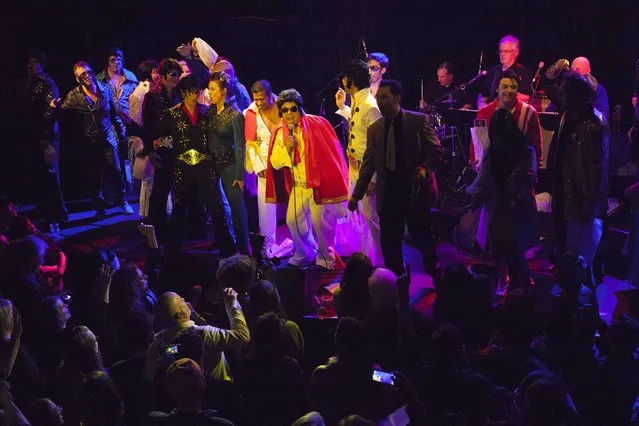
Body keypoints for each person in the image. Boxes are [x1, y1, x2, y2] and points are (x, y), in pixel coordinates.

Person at [348, 79, 443, 277]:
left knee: (422, 237)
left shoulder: (417, 121)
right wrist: (356, 194)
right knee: (390, 242)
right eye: (378, 98)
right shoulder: (375, 128)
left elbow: (435, 150)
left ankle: (436, 276)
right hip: (389, 193)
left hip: (414, 192)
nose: (380, 102)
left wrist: (425, 168)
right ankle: (396, 283)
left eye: (384, 97)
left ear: (397, 98)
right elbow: (368, 164)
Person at [267, 89, 350, 270]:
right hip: (298, 186)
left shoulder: (316, 124)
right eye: (285, 109)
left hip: (317, 185)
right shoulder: (280, 131)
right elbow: (274, 162)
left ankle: (326, 259)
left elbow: (331, 155)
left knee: (321, 224)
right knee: (292, 221)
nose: (289, 113)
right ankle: (305, 253)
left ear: (300, 109)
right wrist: (286, 149)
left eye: (293, 109)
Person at [154, 74, 236, 257]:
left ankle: (227, 248)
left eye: (198, 91)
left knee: (216, 206)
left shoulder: (207, 111)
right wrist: (166, 144)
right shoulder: (172, 114)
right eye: (192, 91)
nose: (196, 94)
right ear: (183, 92)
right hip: (181, 165)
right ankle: (173, 250)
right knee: (179, 207)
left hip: (205, 164)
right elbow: (158, 137)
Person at [466, 108, 539, 294]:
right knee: (503, 252)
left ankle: (518, 288)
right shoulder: (506, 151)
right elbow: (484, 178)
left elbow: (529, 179)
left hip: (512, 208)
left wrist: (477, 198)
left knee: (511, 252)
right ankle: (512, 288)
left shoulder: (520, 152)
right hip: (503, 207)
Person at [547, 72, 609, 289]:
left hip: (581, 202)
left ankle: (585, 309)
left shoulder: (594, 124)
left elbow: (595, 172)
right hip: (564, 194)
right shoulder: (567, 117)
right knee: (568, 254)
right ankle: (569, 303)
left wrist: (588, 206)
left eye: (565, 92)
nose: (561, 95)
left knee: (582, 263)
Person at [50, 61, 133, 218]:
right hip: (89, 140)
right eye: (82, 75)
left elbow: (114, 114)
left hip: (108, 137)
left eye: (88, 72)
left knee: (116, 171)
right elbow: (61, 114)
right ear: (77, 79)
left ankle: (122, 201)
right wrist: (54, 107)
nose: (87, 76)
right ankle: (99, 207)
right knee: (93, 176)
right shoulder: (74, 97)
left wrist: (121, 134)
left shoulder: (105, 90)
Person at [335, 60, 383, 265]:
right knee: (359, 219)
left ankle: (377, 262)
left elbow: (379, 146)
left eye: (345, 77)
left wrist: (373, 178)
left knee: (371, 220)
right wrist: (342, 107)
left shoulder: (370, 105)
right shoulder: (358, 100)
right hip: (355, 170)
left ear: (351, 80)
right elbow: (358, 125)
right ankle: (365, 260)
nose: (343, 80)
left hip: (366, 172)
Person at [150, 289, 250, 381]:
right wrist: (232, 304)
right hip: (218, 391)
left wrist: (193, 314)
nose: (184, 299)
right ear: (180, 314)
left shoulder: (158, 340)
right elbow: (242, 336)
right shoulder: (205, 334)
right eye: (180, 300)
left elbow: (174, 349)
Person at [206, 71, 250, 255]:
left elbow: (241, 146)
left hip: (231, 167)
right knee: (219, 211)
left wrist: (240, 176)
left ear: (224, 91)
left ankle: (245, 252)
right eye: (209, 89)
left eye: (213, 89)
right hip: (213, 167)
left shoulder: (235, 114)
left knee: (237, 212)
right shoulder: (210, 112)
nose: (209, 92)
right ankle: (227, 247)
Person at [23, 51, 68, 223]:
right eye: (29, 61)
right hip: (36, 134)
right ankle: (44, 208)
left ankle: (59, 212)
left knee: (51, 173)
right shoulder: (30, 83)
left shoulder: (47, 83)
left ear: (42, 65)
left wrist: (46, 136)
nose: (31, 65)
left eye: (35, 61)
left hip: (47, 136)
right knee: (40, 174)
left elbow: (52, 111)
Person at [471, 70, 543, 169]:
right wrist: (474, 160)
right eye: (504, 87)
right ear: (497, 89)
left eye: (513, 87)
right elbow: (477, 143)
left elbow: (536, 145)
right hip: (491, 171)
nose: (509, 91)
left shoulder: (529, 113)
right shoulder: (484, 112)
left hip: (519, 172)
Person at [142, 58, 183, 237]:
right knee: (160, 190)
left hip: (180, 149)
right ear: (163, 76)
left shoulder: (181, 94)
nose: (176, 78)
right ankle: (154, 228)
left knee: (180, 190)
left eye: (178, 74)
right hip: (162, 149)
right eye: (173, 74)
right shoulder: (152, 96)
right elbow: (147, 127)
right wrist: (150, 151)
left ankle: (176, 228)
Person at [244, 80, 281, 258]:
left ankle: (304, 244)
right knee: (266, 208)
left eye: (261, 99)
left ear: (270, 95)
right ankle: (268, 246)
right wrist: (258, 166)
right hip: (264, 166)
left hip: (287, 163)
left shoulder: (284, 105)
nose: (258, 103)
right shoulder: (250, 112)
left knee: (297, 207)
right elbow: (250, 145)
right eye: (255, 99)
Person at [97, 47, 139, 190]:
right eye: (113, 60)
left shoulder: (131, 77)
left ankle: (133, 189)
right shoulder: (100, 80)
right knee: (114, 159)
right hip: (110, 124)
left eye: (119, 59)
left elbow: (139, 98)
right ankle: (118, 190)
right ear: (108, 62)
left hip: (129, 122)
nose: (116, 63)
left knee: (131, 155)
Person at [129, 59, 159, 217]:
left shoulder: (154, 91)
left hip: (155, 141)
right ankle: (147, 214)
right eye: (155, 70)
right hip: (146, 143)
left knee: (155, 180)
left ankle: (156, 213)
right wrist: (141, 146)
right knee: (148, 180)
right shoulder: (139, 94)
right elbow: (136, 121)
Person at [478, 35, 533, 109]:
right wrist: (482, 105)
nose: (502, 54)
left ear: (516, 52)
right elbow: (483, 95)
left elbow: (526, 98)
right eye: (501, 51)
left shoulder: (524, 73)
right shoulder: (493, 72)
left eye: (506, 51)